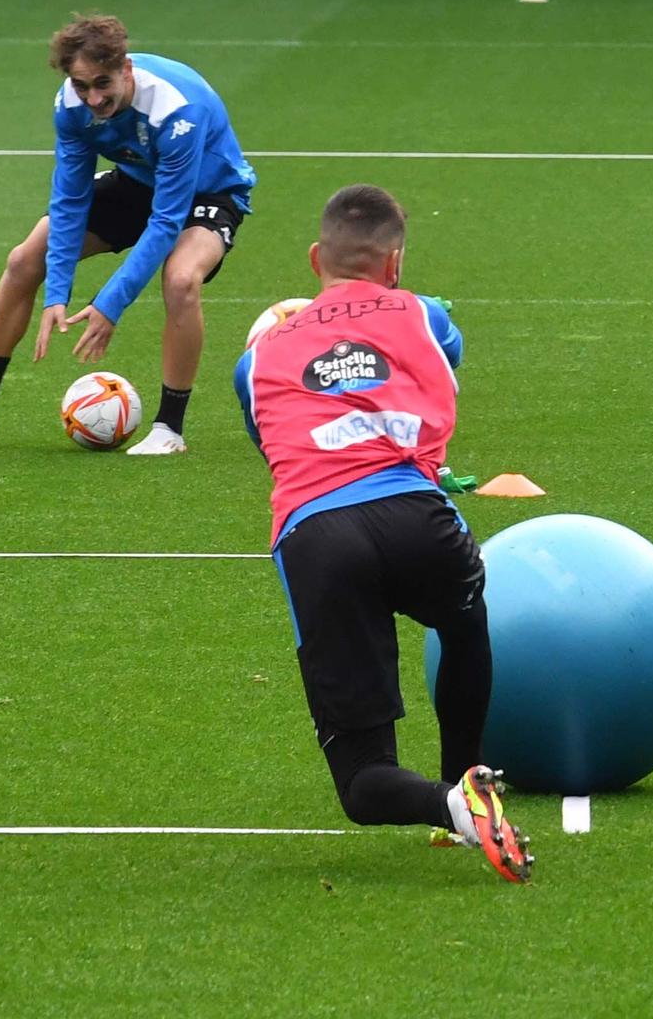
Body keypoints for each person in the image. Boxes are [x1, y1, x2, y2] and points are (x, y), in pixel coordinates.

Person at [235, 184, 530, 881]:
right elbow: (438, 362)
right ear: (394, 263)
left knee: (365, 783)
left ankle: (450, 806)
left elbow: (269, 440)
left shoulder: (254, 361)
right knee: (464, 619)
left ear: (315, 258)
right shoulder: (425, 315)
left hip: (317, 537)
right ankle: (469, 772)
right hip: (418, 519)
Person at [0, 15, 258, 455]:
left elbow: (166, 221)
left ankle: (168, 428)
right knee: (25, 260)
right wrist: (57, 292)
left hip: (209, 192)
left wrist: (108, 305)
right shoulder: (73, 106)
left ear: (126, 69)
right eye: (82, 86)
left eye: (103, 83)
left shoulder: (176, 110)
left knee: (180, 279)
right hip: (137, 181)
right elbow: (69, 199)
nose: (94, 98)